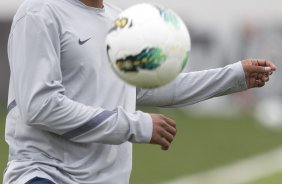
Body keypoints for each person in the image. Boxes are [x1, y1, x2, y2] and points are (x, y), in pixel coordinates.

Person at [4, 0, 277, 184]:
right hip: (45, 174)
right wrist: (136, 125)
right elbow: (40, 106)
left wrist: (234, 76)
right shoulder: (39, 13)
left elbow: (149, 87)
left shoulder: (117, 21)